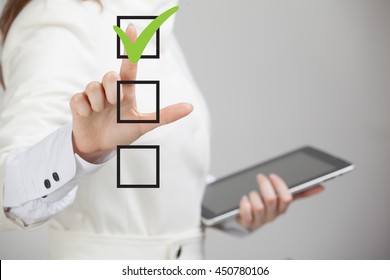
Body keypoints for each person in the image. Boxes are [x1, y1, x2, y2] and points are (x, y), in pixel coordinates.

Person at [0, 0, 323, 259]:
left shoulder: (146, 17)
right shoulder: (59, 18)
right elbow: (9, 189)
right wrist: (81, 148)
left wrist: (235, 210)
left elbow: (152, 173)